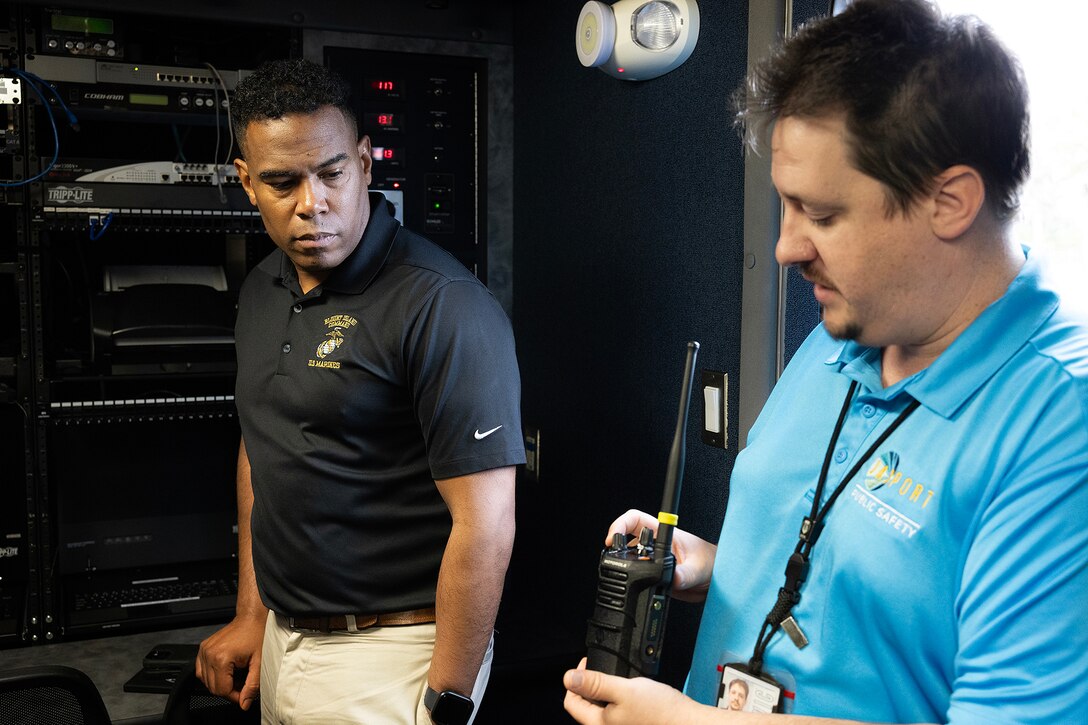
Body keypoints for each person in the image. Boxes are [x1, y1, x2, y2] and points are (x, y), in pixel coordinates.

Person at [564, 0, 1088, 722]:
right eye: (786, 207)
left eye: (823, 214)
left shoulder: (1061, 426)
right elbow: (870, 598)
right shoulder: (847, 324)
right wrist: (722, 572)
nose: (786, 248)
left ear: (950, 200)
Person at [194, 58, 524, 725]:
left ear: (367, 165)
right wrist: (252, 611)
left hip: (394, 650)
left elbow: (485, 523)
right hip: (287, 643)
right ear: (246, 182)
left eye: (332, 173)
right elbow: (266, 444)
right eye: (283, 181)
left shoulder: (443, 305)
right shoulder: (262, 288)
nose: (312, 203)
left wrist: (448, 698)